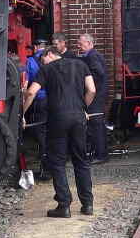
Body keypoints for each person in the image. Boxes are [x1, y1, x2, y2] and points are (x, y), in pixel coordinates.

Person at [24, 45, 96, 218]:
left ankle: (64, 206)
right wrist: (83, 108)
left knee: (57, 162)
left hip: (57, 119)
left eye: (43, 60)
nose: (42, 63)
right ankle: (87, 204)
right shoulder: (81, 65)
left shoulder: (46, 69)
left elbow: (31, 92)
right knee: (81, 160)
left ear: (49, 54)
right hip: (78, 117)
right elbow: (92, 90)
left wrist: (22, 113)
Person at [77, 33, 109, 165]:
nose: (78, 45)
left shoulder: (92, 56)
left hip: (96, 96)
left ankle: (101, 155)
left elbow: (99, 74)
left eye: (81, 43)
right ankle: (99, 153)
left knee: (96, 125)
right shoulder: (93, 55)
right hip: (98, 95)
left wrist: (87, 84)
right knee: (96, 125)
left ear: (89, 43)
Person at [23, 39, 50, 180]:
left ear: (35, 47)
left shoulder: (30, 61)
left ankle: (45, 169)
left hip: (38, 100)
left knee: (40, 133)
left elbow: (25, 83)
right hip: (54, 101)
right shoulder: (54, 59)